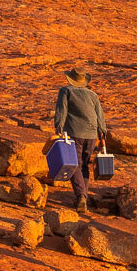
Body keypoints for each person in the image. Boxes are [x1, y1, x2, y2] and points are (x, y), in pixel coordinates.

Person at [52, 68, 107, 214]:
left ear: (70, 79)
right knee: (84, 165)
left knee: (75, 164)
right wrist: (102, 134)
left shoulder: (66, 91)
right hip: (92, 134)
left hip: (75, 132)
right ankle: (82, 198)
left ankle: (81, 196)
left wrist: (58, 126)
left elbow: (61, 110)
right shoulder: (93, 95)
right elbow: (100, 115)